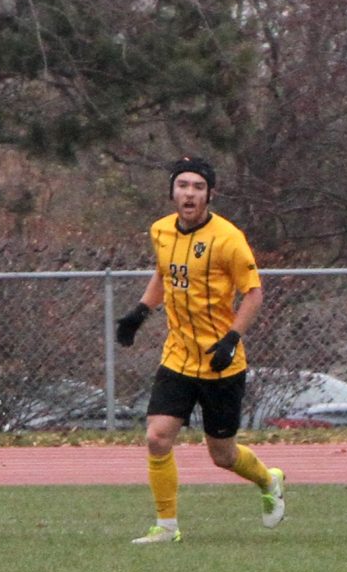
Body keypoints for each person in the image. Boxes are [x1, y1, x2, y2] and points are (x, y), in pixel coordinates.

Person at [112, 157, 285, 544]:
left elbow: (254, 293)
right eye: (183, 185)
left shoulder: (228, 238)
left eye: (198, 187)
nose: (189, 193)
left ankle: (267, 479)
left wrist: (232, 338)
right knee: (157, 438)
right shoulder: (160, 231)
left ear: (210, 194)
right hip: (178, 357)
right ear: (172, 191)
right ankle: (166, 527)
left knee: (222, 455)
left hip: (221, 364)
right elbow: (165, 274)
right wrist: (139, 312)